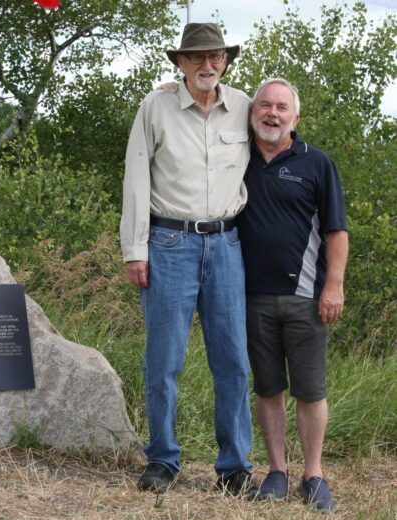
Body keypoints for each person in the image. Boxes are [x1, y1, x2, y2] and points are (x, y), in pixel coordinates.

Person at [120, 23, 256, 497]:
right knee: (164, 362)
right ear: (179, 63)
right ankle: (162, 459)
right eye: (196, 57)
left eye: (215, 56)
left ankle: (235, 466)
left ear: (225, 60)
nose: (207, 65)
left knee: (234, 360)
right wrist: (135, 250)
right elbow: (136, 179)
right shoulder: (154, 107)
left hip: (227, 246)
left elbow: (278, 135)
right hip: (168, 246)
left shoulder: (243, 107)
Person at [237, 78, 348, 513]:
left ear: (295, 118)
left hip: (306, 298)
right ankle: (277, 471)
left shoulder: (317, 164)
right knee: (267, 389)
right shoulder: (236, 157)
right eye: (264, 105)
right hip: (250, 298)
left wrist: (333, 285)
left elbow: (336, 231)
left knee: (310, 390)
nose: (272, 113)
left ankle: (313, 476)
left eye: (282, 107)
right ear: (252, 113)